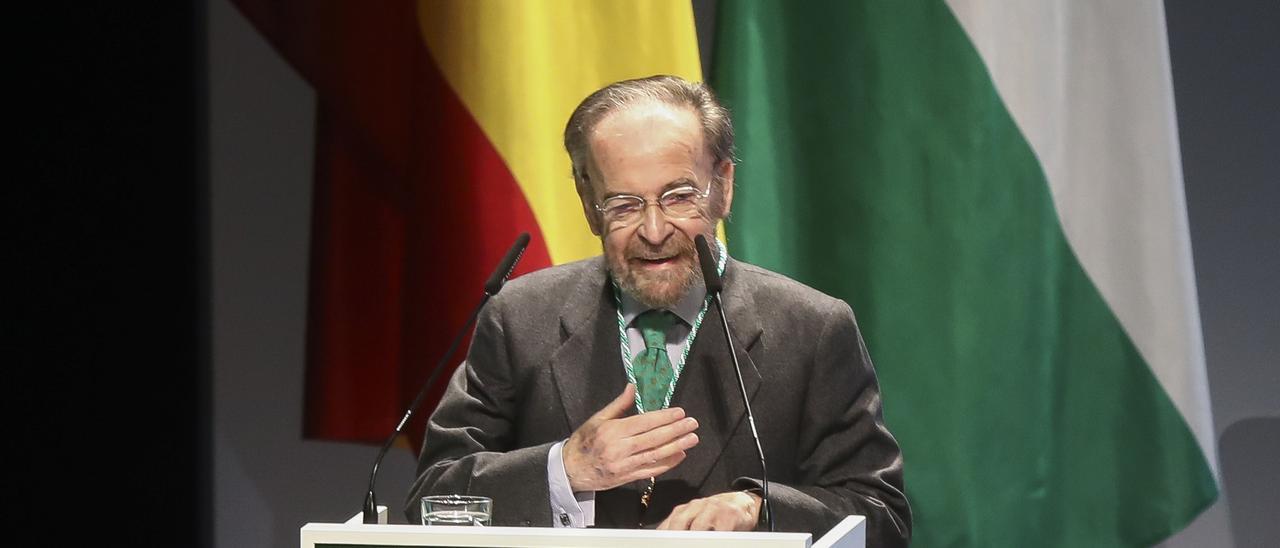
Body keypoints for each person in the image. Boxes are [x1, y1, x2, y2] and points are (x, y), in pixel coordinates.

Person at [406, 75, 911, 545]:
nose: (653, 231)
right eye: (624, 204)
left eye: (678, 196)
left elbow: (880, 516)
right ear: (588, 203)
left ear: (723, 186)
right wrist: (564, 470)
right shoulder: (520, 319)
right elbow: (432, 496)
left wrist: (757, 508)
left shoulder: (811, 329)